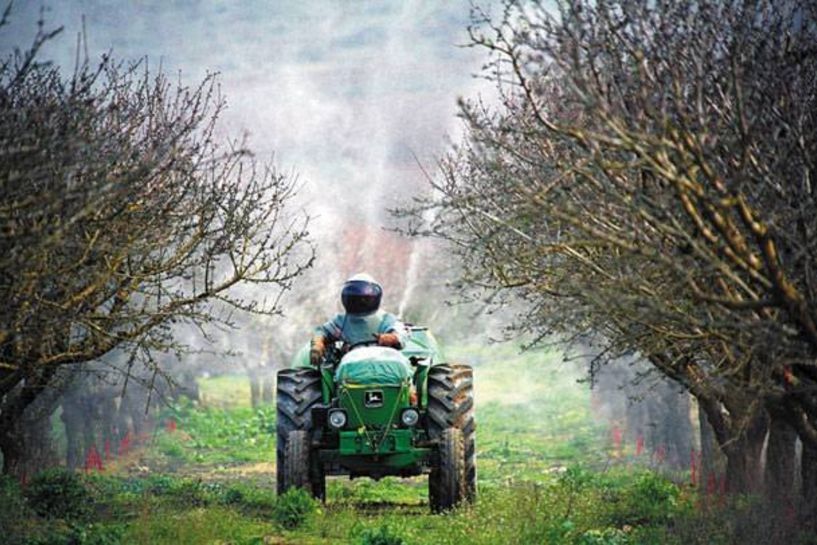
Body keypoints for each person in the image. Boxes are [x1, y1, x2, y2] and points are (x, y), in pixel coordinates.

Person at [310, 273, 407, 366]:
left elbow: (401, 332)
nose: (361, 302)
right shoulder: (341, 321)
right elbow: (322, 331)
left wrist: (393, 338)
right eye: (355, 299)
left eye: (366, 299)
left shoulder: (385, 319)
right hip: (350, 367)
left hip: (383, 364)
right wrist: (318, 343)